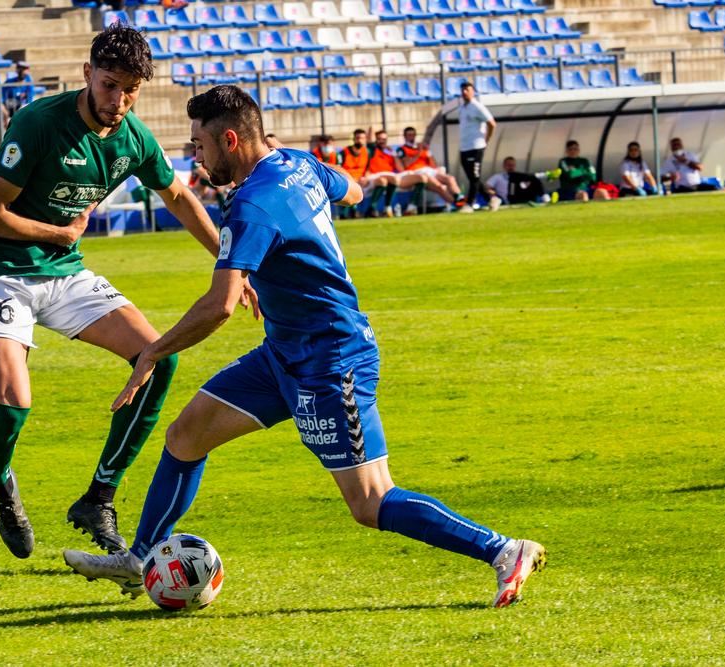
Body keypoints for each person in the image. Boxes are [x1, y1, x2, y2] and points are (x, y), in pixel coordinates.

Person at [63, 85, 548, 609]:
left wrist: (152, 352)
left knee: (369, 501)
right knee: (185, 435)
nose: (194, 157)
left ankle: (504, 550)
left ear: (230, 139)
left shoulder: (251, 204)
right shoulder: (296, 162)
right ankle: (140, 558)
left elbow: (221, 305)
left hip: (331, 360)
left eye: (200, 145)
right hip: (284, 353)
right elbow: (354, 192)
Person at [0, 25, 257, 560]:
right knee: (13, 405)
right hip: (1, 270)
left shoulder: (133, 137)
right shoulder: (38, 123)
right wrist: (57, 233)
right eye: (108, 85)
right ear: (86, 75)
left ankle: (99, 496)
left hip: (65, 272)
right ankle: (0, 480)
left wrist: (232, 265)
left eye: (130, 90)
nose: (118, 100)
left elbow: (179, 197)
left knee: (158, 358)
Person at [398, 125, 462, 212]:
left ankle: (460, 199)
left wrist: (428, 153)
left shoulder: (422, 148)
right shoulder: (402, 149)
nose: (411, 137)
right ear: (405, 136)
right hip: (417, 173)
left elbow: (433, 165)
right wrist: (419, 152)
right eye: (409, 135)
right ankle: (457, 205)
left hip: (429, 171)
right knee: (440, 187)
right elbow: (407, 164)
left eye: (413, 135)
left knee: (450, 179)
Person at [457, 82, 496, 213]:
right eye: (462, 90)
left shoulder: (477, 106)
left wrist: (487, 139)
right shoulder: (462, 108)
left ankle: (469, 204)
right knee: (474, 178)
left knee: (474, 176)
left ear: (473, 91)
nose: (464, 92)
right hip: (464, 148)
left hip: (476, 147)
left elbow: (492, 123)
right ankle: (492, 199)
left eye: (467, 89)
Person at [483, 157, 558, 210]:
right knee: (515, 177)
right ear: (504, 166)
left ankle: (546, 199)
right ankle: (546, 175)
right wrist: (494, 195)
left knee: (533, 179)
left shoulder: (517, 176)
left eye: (512, 165)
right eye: (509, 165)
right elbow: (487, 187)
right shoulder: (498, 177)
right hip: (509, 199)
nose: (511, 167)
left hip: (519, 194)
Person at [338, 129, 369, 219]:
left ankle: (372, 209)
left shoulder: (366, 151)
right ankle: (347, 213)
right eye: (358, 138)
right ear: (354, 139)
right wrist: (351, 178)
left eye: (362, 138)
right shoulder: (344, 152)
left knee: (381, 181)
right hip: (347, 178)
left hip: (362, 179)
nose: (360, 140)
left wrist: (365, 178)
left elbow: (367, 168)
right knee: (352, 186)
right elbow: (339, 168)